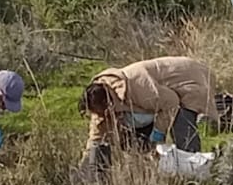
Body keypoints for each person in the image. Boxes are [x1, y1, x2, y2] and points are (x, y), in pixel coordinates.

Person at [81, 57, 215, 175]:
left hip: (190, 79)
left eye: (101, 112)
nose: (100, 116)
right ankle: (151, 169)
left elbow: (171, 102)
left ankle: (197, 170)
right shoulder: (98, 101)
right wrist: (85, 166)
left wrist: (158, 133)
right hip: (164, 97)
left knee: (181, 123)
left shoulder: (137, 86)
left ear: (107, 103)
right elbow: (95, 138)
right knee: (128, 131)